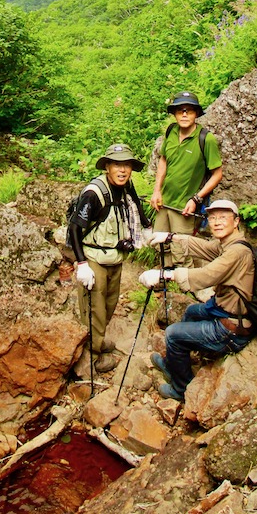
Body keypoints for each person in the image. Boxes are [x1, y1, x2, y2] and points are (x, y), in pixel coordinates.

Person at [139, 199, 254, 401]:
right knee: (192, 312)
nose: (216, 222)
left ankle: (181, 389)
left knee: (173, 335)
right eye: (213, 217)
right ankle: (174, 364)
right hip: (224, 310)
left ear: (236, 221)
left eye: (223, 217)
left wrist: (165, 275)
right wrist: (171, 237)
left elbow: (206, 275)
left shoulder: (238, 252)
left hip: (232, 329)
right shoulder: (230, 244)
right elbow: (205, 248)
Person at [69, 143, 151, 373]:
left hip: (115, 258)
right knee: (94, 309)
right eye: (117, 164)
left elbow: (136, 203)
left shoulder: (125, 187)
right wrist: (82, 264)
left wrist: (146, 227)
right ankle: (90, 359)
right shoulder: (93, 194)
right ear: (107, 167)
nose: (122, 170)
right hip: (94, 259)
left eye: (127, 165)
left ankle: (97, 339)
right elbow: (74, 228)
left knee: (109, 304)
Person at [149, 90, 223, 266]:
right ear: (174, 114)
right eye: (180, 110)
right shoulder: (171, 131)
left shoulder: (206, 139)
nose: (184, 114)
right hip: (164, 203)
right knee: (160, 245)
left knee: (182, 252)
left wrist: (196, 199)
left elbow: (217, 174)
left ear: (196, 113)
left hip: (184, 207)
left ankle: (187, 281)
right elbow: (163, 160)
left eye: (189, 110)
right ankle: (166, 277)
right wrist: (157, 191)